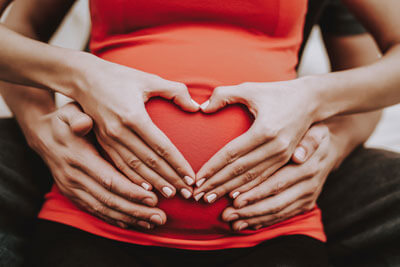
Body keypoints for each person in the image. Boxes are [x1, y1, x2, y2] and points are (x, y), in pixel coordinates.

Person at [0, 0, 399, 266]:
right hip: (93, 206)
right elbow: (19, 29)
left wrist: (318, 117)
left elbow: (368, 83)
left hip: (271, 221)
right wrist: (58, 103)